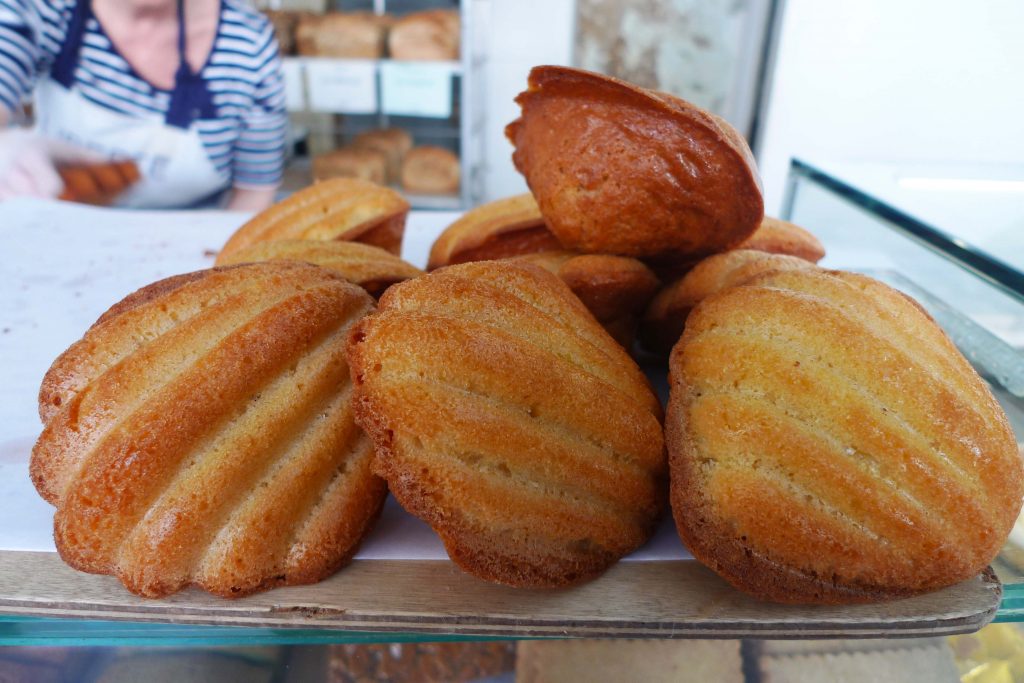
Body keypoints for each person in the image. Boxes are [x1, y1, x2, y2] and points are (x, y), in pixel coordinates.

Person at [0, 0, 286, 210]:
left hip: (192, 261)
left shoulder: (247, 44)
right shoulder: (42, 9)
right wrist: (8, 148)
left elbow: (253, 194)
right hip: (55, 245)